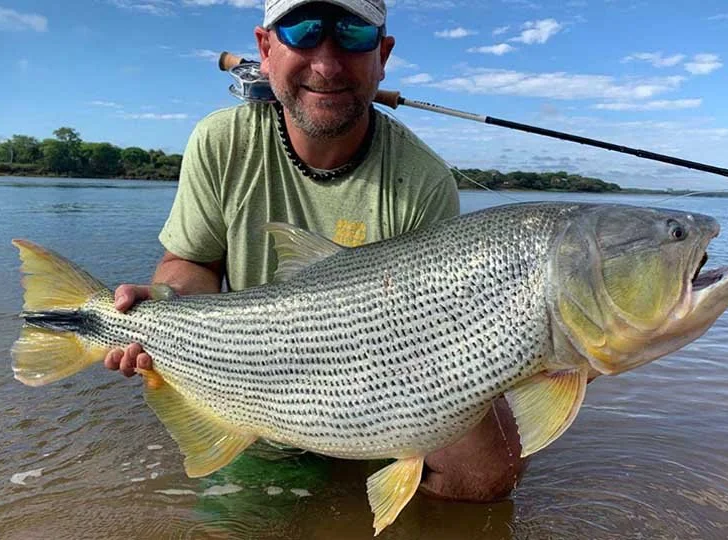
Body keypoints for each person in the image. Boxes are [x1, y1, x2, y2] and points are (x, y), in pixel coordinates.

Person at [102, 0, 526, 502]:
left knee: (487, 476)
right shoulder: (220, 141)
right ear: (264, 49)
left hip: (386, 381)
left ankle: (376, 467)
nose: (326, 65)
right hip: (246, 373)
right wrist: (166, 303)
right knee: (240, 523)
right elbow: (194, 262)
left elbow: (440, 331)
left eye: (352, 35)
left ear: (383, 55)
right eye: (302, 32)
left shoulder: (422, 179)